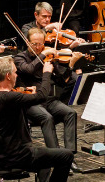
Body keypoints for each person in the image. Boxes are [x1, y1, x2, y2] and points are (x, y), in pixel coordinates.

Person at [0, 55, 73, 182]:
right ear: (8, 76)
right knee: (66, 155)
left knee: (46, 155)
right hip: (20, 155)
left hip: (6, 155)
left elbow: (18, 98)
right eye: (14, 72)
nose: (16, 75)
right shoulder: (10, 97)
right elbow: (42, 96)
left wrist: (26, 92)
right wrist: (46, 73)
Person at [14, 28, 80, 166]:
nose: (38, 47)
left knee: (70, 113)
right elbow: (29, 69)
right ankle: (57, 157)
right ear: (27, 42)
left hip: (48, 100)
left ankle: (69, 156)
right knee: (47, 118)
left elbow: (62, 82)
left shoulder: (49, 58)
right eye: (34, 44)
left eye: (41, 44)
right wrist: (44, 56)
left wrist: (71, 64)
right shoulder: (20, 58)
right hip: (30, 102)